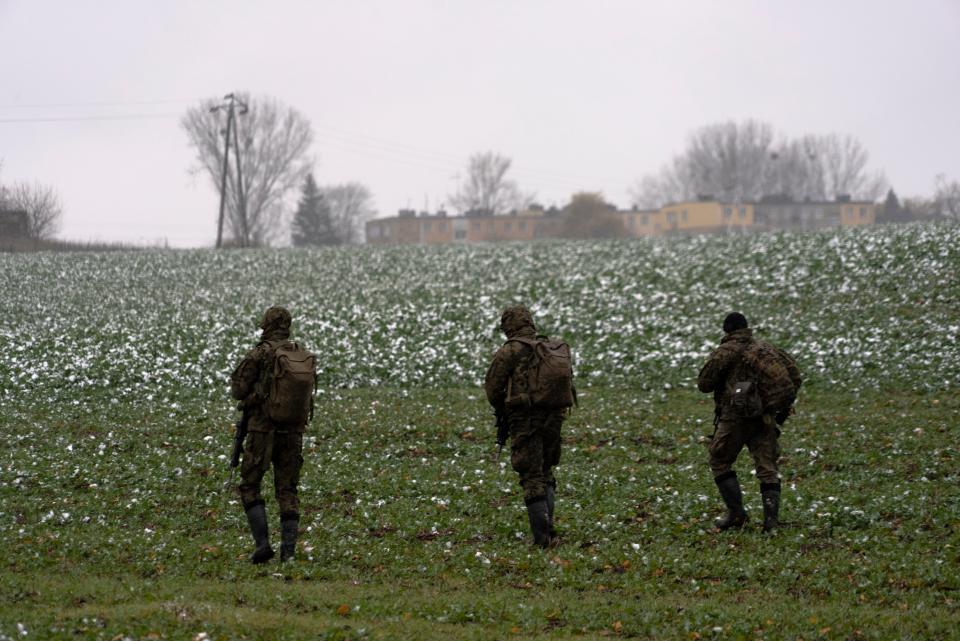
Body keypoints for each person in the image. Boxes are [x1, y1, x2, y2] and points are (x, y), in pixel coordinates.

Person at [697, 312, 801, 532]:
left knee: (719, 460)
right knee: (767, 468)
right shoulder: (766, 349)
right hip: (765, 417)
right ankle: (771, 523)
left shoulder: (726, 351)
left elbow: (704, 384)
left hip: (735, 418)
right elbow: (795, 376)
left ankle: (736, 515)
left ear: (727, 330)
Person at [484, 305, 574, 548]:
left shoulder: (510, 351)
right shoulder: (551, 348)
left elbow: (493, 389)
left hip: (526, 420)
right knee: (546, 470)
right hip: (555, 417)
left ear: (508, 326)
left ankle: (542, 538)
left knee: (531, 474)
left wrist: (506, 408)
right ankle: (549, 531)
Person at [230, 306, 315, 563]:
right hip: (292, 431)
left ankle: (263, 545)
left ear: (266, 324)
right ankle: (288, 553)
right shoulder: (298, 354)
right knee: (287, 490)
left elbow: (238, 389)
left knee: (249, 485)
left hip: (261, 431)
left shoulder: (259, 354)